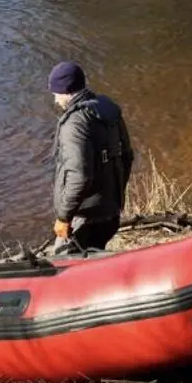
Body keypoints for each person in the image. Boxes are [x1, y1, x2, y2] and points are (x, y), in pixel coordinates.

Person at [48, 60, 134, 252]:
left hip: (84, 217)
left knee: (64, 266)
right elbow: (127, 156)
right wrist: (115, 196)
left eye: (56, 94)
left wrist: (64, 217)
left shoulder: (74, 124)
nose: (55, 100)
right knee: (96, 255)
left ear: (65, 91)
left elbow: (79, 176)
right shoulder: (108, 110)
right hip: (110, 211)